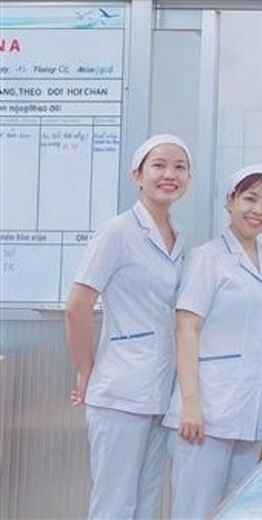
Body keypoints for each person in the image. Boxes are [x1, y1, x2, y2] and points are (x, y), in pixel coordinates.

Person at [65, 134, 191, 519]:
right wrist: (86, 370)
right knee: (115, 505)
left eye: (180, 167)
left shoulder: (177, 236)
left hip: (159, 390)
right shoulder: (116, 231)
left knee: (145, 503)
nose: (170, 174)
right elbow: (77, 307)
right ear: (137, 175)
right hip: (119, 390)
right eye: (159, 165)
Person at [163, 164, 262, 519]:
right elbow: (186, 328)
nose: (258, 210)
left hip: (252, 413)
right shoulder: (207, 257)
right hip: (206, 413)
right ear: (229, 201)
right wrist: (190, 403)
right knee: (195, 512)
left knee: (239, 511)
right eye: (250, 199)